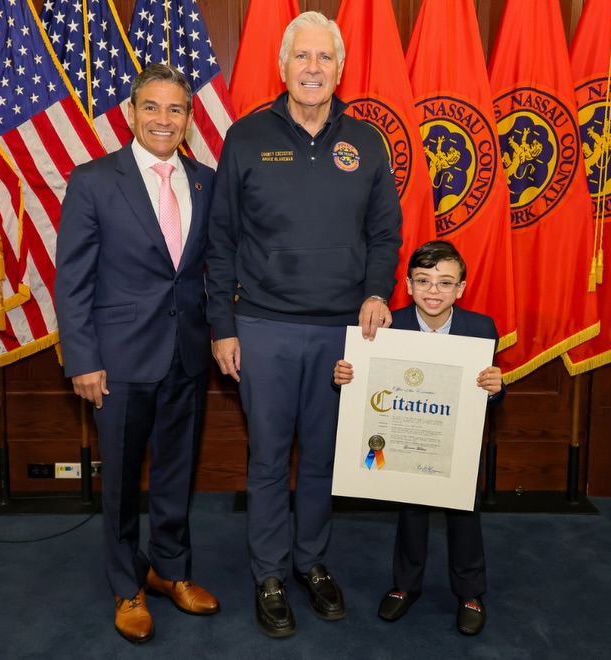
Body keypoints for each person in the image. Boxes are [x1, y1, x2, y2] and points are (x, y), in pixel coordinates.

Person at [205, 11, 403, 639]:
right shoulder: (245, 136)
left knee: (322, 457)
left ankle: (310, 561)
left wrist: (377, 292)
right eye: (301, 56)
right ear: (282, 65)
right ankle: (268, 573)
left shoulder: (366, 141)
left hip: (344, 332)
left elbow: (385, 233)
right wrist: (222, 326)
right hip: (263, 326)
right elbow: (220, 239)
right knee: (268, 457)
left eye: (324, 57)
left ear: (339, 68)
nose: (312, 68)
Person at [54, 64, 219, 644]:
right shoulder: (94, 180)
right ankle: (127, 585)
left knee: (177, 473)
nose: (163, 119)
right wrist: (81, 359)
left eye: (176, 109)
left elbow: (210, 267)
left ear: (189, 119)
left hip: (187, 356)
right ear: (131, 113)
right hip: (118, 361)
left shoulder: (205, 181)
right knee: (123, 481)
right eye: (151, 107)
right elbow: (72, 280)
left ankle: (169, 570)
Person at [333, 240, 505, 636]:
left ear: (461, 288)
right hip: (404, 438)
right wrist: (341, 378)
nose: (433, 290)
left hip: (455, 440)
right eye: (423, 280)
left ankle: (470, 592)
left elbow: (489, 392)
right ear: (408, 285)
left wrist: (496, 388)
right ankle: (406, 585)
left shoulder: (481, 328)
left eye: (445, 282)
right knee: (411, 509)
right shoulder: (385, 328)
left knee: (464, 513)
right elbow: (360, 383)